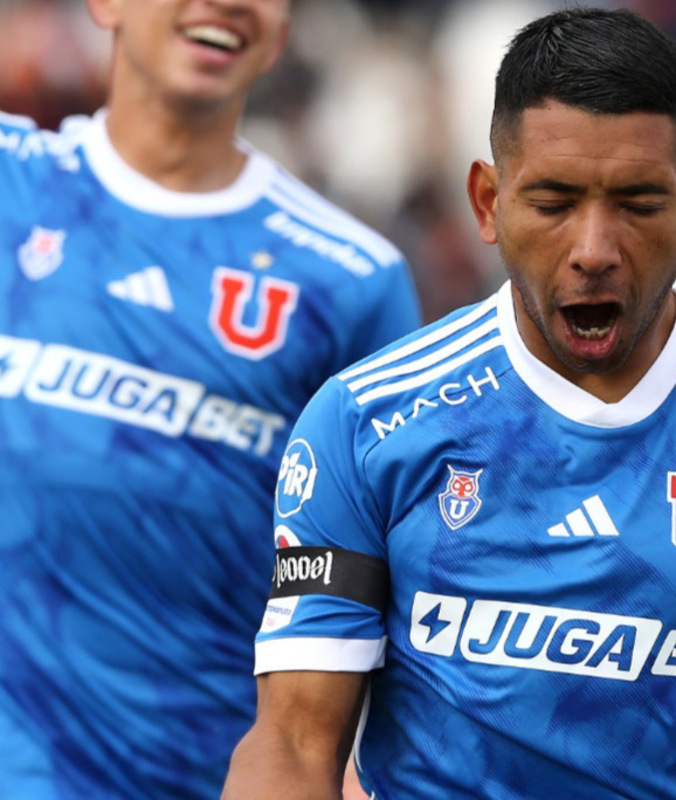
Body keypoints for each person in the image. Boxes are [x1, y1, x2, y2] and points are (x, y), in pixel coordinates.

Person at [222, 7, 676, 799]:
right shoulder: (366, 425)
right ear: (487, 201)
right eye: (553, 203)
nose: (594, 250)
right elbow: (295, 740)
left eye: (639, 203)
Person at [0, 0, 421, 798]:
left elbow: (398, 594)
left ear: (282, 34)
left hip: (198, 772)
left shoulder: (349, 281)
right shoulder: (12, 182)